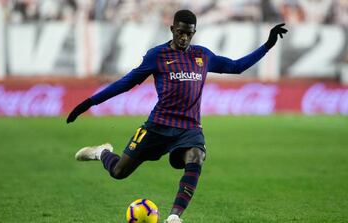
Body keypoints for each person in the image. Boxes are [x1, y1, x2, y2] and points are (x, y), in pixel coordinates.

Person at [66, 9, 287, 223]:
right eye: (180, 32)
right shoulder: (157, 55)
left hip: (189, 129)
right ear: (172, 29)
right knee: (119, 172)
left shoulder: (202, 55)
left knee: (196, 157)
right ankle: (101, 152)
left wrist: (268, 45)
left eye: (189, 33)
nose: (184, 37)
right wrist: (88, 103)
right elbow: (125, 83)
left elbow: (237, 67)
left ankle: (174, 216)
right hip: (158, 126)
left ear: (194, 33)